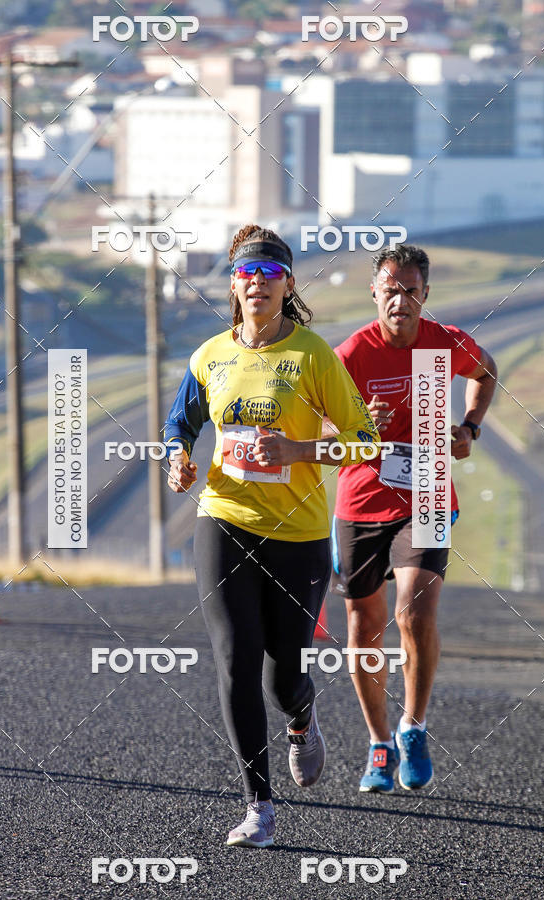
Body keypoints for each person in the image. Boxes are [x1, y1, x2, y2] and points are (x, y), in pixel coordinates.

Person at [164, 225, 379, 847]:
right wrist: (176, 457)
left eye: (269, 273)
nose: (257, 283)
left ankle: (303, 718)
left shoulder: (313, 356)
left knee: (283, 675)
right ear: (233, 285)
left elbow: (364, 441)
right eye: (246, 273)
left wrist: (299, 448)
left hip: (300, 534)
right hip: (224, 518)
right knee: (235, 658)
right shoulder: (209, 356)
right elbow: (178, 426)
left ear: (287, 284)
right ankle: (259, 805)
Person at [325, 244, 497, 793]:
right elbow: (315, 434)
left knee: (414, 612)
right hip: (360, 501)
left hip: (425, 494)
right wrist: (352, 427)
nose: (400, 299)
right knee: (362, 627)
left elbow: (486, 370)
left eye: (410, 290)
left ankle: (413, 727)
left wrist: (469, 429)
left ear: (425, 296)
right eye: (390, 288)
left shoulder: (442, 343)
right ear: (374, 292)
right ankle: (378, 742)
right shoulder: (349, 355)